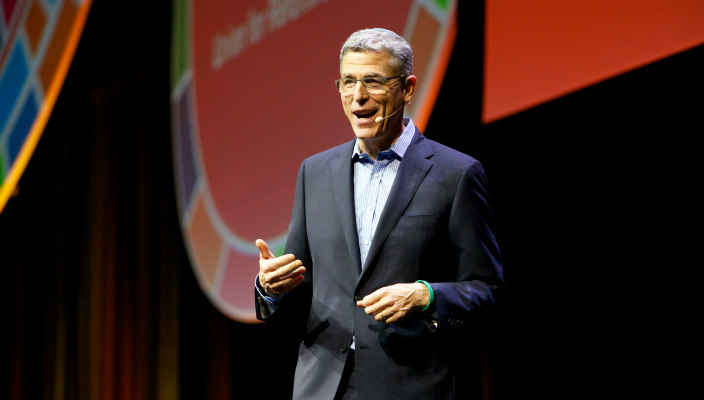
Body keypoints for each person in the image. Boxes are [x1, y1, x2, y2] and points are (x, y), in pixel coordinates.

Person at [255, 28, 503, 400]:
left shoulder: (456, 173)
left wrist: (427, 296)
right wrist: (270, 288)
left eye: (373, 81)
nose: (358, 96)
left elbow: (486, 290)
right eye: (349, 82)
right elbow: (300, 285)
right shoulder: (314, 172)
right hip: (322, 386)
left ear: (407, 88)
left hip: (411, 385)